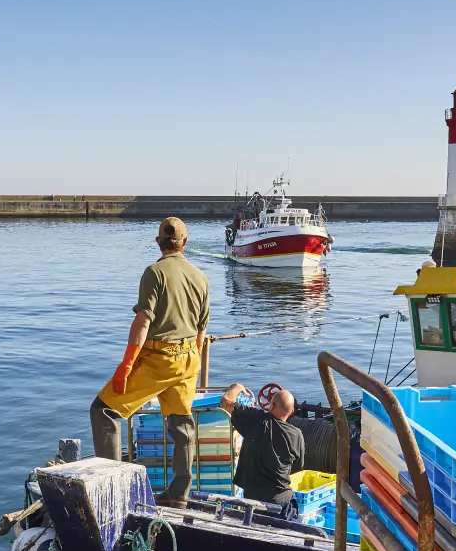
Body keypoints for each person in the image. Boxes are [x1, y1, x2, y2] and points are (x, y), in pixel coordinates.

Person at [90, 217, 209, 507]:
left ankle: (112, 489)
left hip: (160, 358)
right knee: (182, 424)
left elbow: (143, 321)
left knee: (104, 411)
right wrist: (188, 363)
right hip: (189, 358)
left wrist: (126, 365)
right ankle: (179, 493)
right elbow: (201, 331)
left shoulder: (154, 272)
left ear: (159, 241)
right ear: (185, 243)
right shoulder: (200, 277)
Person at [219, 383, 305, 520]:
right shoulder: (297, 434)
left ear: (270, 406)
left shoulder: (255, 420)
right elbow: (298, 466)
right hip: (282, 503)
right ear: (291, 411)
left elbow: (226, 401)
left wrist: (238, 388)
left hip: (253, 502)